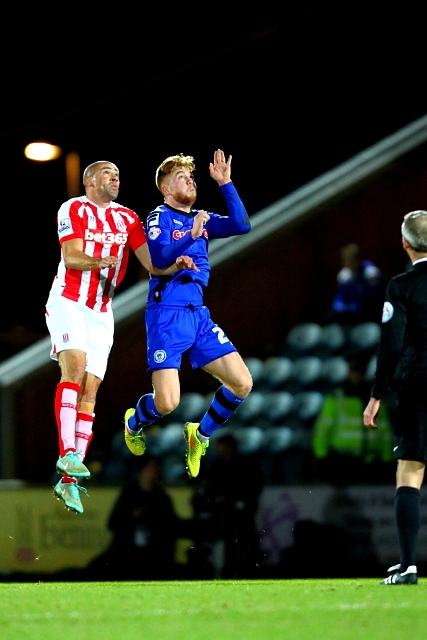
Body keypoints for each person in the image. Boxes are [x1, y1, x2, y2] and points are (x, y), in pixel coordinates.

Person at [46, 160, 197, 515]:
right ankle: (67, 454)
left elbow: (153, 265)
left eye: (118, 173)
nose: (115, 178)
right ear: (90, 181)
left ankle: (70, 482)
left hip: (101, 311)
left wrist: (176, 265)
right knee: (76, 369)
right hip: (69, 302)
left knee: (91, 389)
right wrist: (99, 261)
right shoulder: (73, 208)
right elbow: (70, 255)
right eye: (108, 173)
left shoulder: (127, 218)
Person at [124, 150, 253, 479]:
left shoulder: (201, 219)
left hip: (198, 316)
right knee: (167, 403)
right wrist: (190, 236)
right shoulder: (158, 218)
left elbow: (242, 224)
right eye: (182, 177)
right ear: (166, 189)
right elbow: (158, 256)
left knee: (242, 383)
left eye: (192, 177)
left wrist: (225, 183)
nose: (190, 181)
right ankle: (133, 422)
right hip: (166, 314)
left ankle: (200, 434)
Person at [363, 209, 427, 585]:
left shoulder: (401, 286)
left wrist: (377, 394)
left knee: (411, 472)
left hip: (418, 384)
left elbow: (391, 343)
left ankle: (408, 566)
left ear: (405, 244)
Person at [87, 454, 187, 580]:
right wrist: (132, 517)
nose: (154, 472)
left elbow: (171, 526)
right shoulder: (129, 495)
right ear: (141, 471)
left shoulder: (161, 498)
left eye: (156, 468)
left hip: (153, 554)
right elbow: (113, 523)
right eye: (150, 468)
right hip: (127, 553)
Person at [331, 242, 386, 326]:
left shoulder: (371, 273)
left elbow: (375, 300)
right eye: (344, 259)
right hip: (350, 317)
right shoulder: (344, 276)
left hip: (369, 318)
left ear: (357, 259)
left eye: (349, 259)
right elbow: (338, 302)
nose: (345, 262)